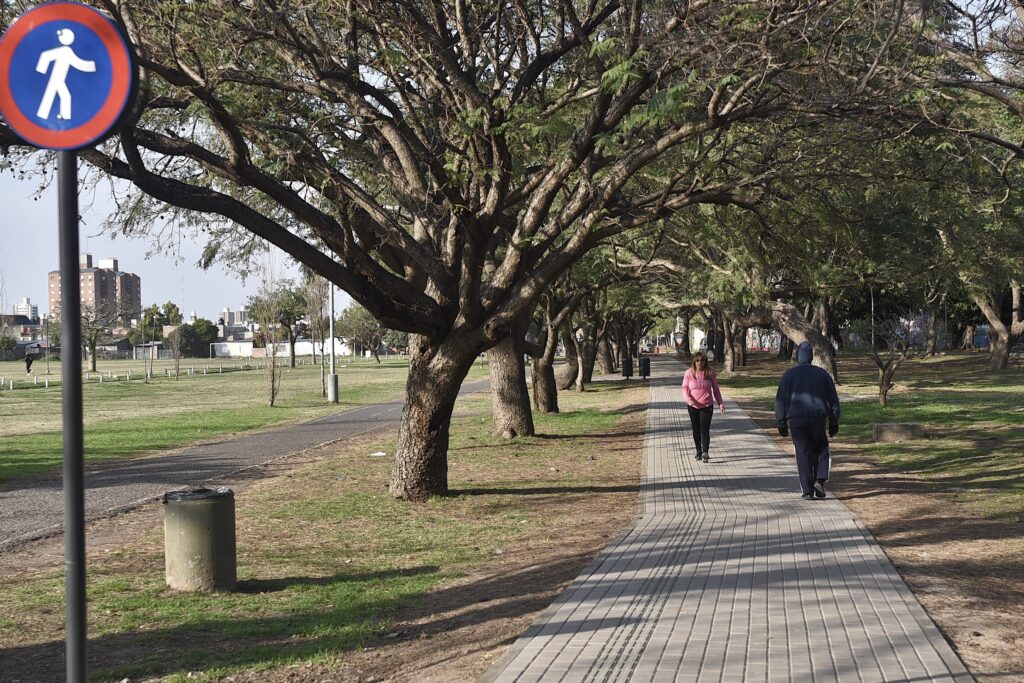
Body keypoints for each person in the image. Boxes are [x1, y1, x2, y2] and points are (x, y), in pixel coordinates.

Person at [775, 341, 840, 499]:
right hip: (818, 417)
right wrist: (834, 421)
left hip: (797, 419)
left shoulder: (789, 375)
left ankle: (807, 490)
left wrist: (781, 422)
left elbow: (780, 400)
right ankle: (820, 478)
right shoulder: (822, 375)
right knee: (821, 447)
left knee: (802, 452)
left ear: (798, 356)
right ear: (811, 357)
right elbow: (833, 401)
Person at [682, 351, 725, 462]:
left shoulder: (710, 373)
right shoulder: (689, 373)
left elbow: (716, 390)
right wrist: (688, 400)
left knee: (704, 429)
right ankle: (698, 452)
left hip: (707, 405)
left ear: (705, 362)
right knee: (696, 430)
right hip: (693, 406)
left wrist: (720, 403)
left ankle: (705, 452)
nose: (700, 362)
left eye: (702, 360)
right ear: (694, 362)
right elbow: (684, 388)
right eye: (697, 360)